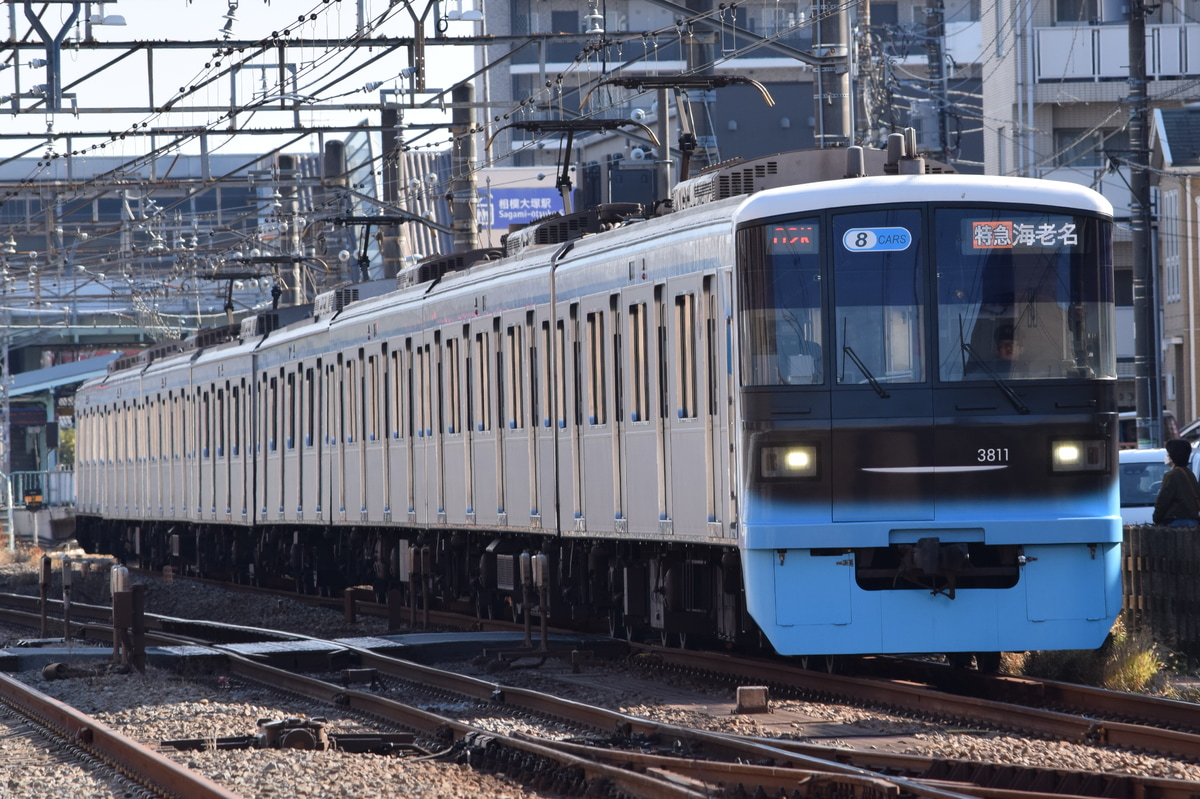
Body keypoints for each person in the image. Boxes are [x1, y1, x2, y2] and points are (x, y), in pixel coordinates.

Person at [1152, 438, 1200, 527]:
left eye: (1168, 453)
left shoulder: (1171, 475)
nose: (1166, 455)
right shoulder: (1189, 473)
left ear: (1172, 456)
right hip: (1192, 521)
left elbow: (1163, 500)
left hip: (1175, 522)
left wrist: (1156, 518)